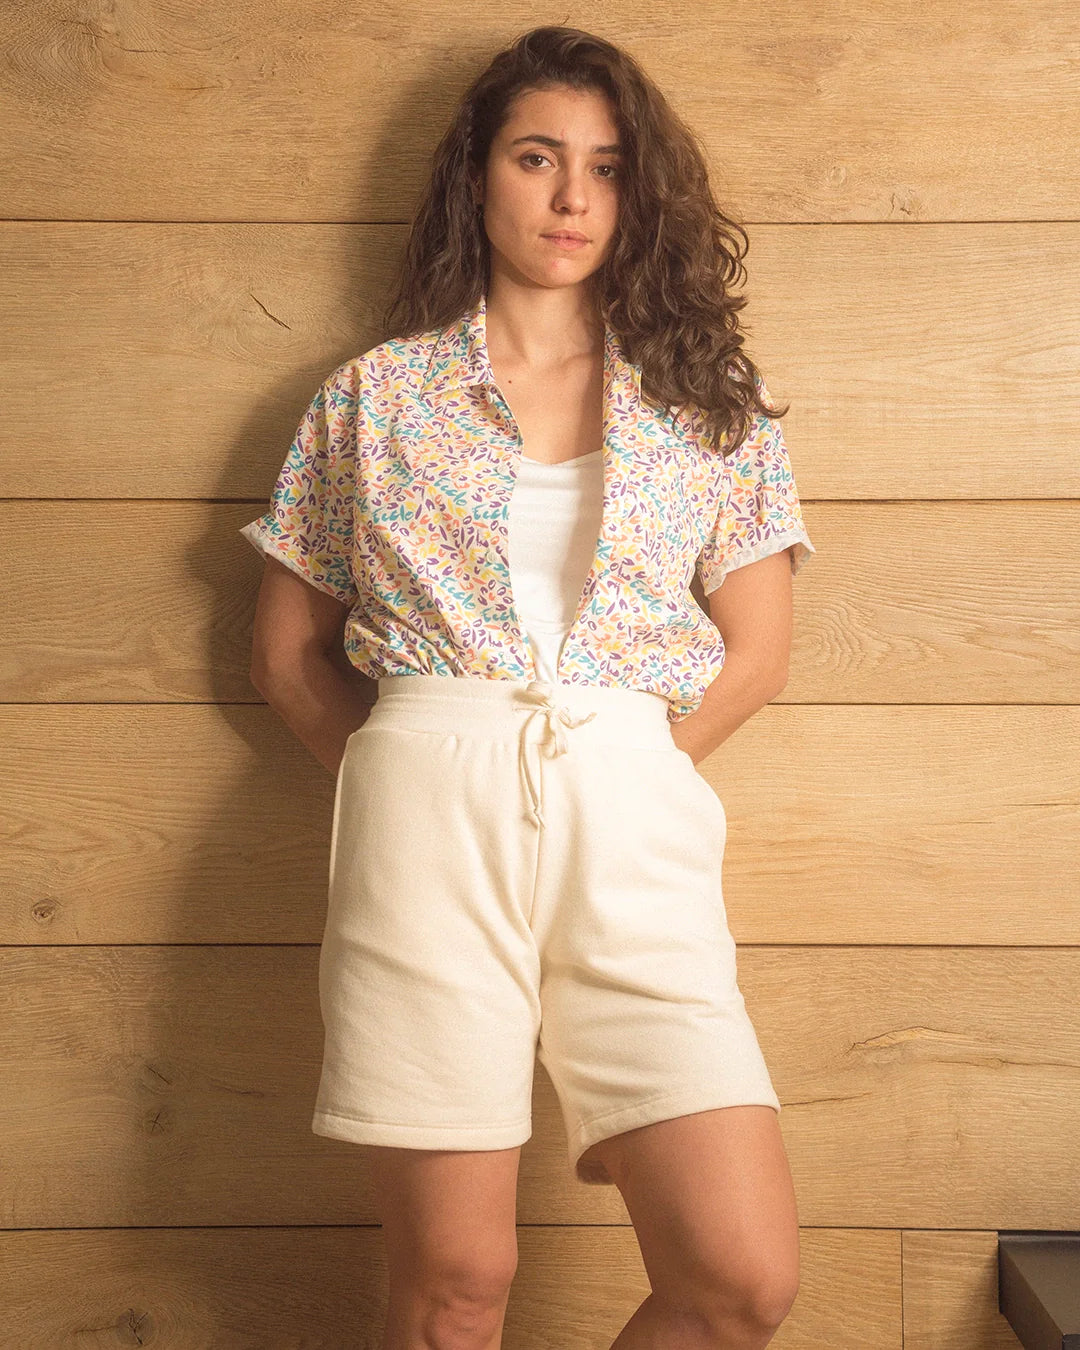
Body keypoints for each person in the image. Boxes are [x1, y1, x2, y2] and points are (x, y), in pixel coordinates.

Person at [240, 24, 815, 1350]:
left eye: (607, 168)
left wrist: (623, 769)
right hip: (426, 823)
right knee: (456, 1287)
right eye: (538, 158)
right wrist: (417, 775)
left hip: (634, 821)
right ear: (477, 176)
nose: (572, 198)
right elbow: (283, 655)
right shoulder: (374, 399)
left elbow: (758, 653)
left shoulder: (712, 407)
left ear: (640, 193)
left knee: (740, 1278)